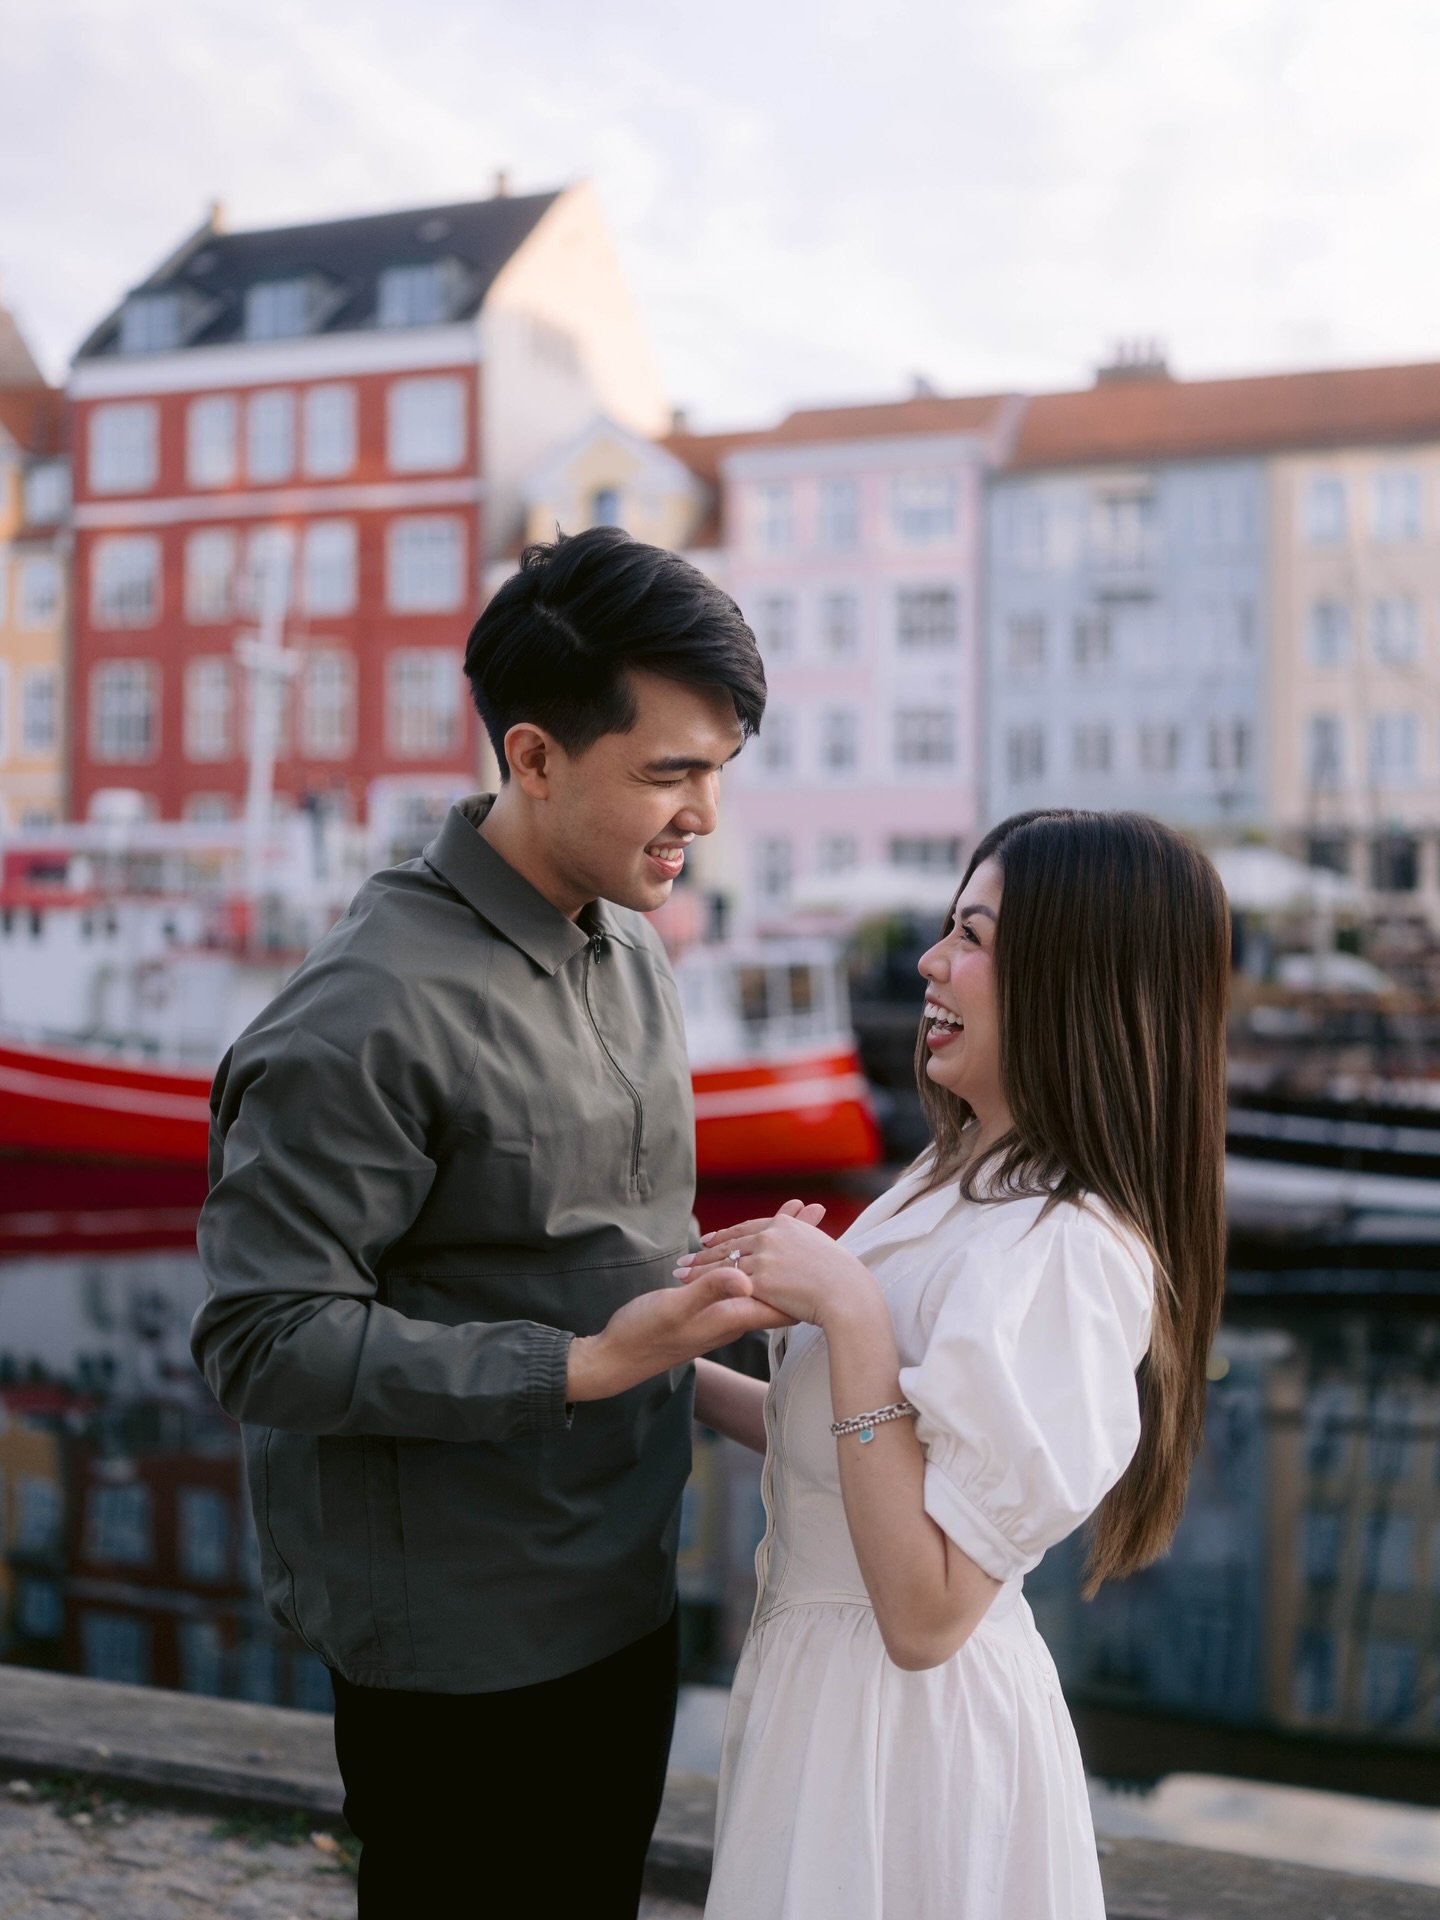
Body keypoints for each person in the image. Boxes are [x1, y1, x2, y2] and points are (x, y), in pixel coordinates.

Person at [190, 527, 776, 1919]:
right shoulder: (368, 1008)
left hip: (621, 1584)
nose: (705, 814)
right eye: (671, 774)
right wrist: (585, 1366)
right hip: (458, 1638)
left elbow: (593, 1264)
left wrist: (736, 1372)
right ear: (532, 757)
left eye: (719, 775)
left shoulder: (629, 941)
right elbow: (259, 1342)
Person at [683, 809, 1230, 1920]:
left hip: (909, 1746)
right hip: (824, 1704)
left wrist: (845, 1308)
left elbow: (928, 1615)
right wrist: (665, 1362)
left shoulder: (1071, 1252)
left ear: (1076, 980)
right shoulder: (952, 1176)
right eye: (950, 928)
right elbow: (853, 1451)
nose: (932, 961)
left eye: (974, 938)